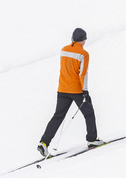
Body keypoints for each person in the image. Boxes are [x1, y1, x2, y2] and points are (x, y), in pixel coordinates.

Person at [37, 28, 103, 157]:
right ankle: (92, 140)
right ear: (84, 40)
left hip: (62, 89)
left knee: (58, 116)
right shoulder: (83, 54)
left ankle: (44, 143)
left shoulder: (64, 50)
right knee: (89, 113)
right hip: (76, 90)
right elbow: (83, 73)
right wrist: (84, 91)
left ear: (72, 38)